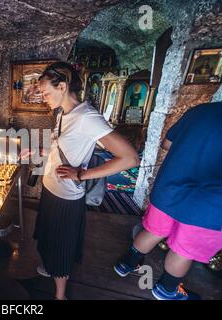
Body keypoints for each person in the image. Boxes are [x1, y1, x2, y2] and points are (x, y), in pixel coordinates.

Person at [34, 62, 140, 300]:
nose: (43, 98)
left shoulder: (87, 117)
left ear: (62, 86)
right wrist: (39, 152)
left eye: (46, 92)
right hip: (50, 189)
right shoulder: (63, 113)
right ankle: (50, 268)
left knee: (61, 247)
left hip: (66, 198)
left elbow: (130, 158)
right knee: (47, 238)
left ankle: (59, 296)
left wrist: (81, 174)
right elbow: (61, 149)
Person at [114, 102, 222, 300]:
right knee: (184, 250)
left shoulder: (200, 110)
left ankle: (126, 264)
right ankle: (167, 289)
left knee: (154, 231)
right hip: (210, 204)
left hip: (170, 188)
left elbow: (167, 144)